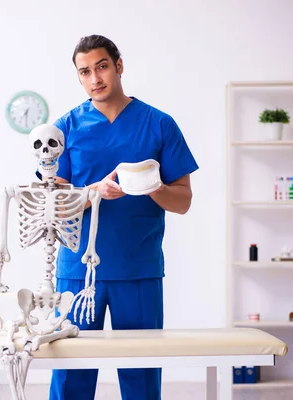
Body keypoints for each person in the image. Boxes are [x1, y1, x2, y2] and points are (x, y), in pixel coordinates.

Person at [46, 34, 199, 400]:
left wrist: (153, 187)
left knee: (142, 375)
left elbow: (183, 202)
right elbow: (52, 206)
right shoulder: (65, 128)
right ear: (79, 78)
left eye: (101, 67)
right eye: (85, 72)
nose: (95, 78)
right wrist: (91, 193)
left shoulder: (159, 124)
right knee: (71, 376)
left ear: (118, 66)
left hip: (139, 269)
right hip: (78, 271)